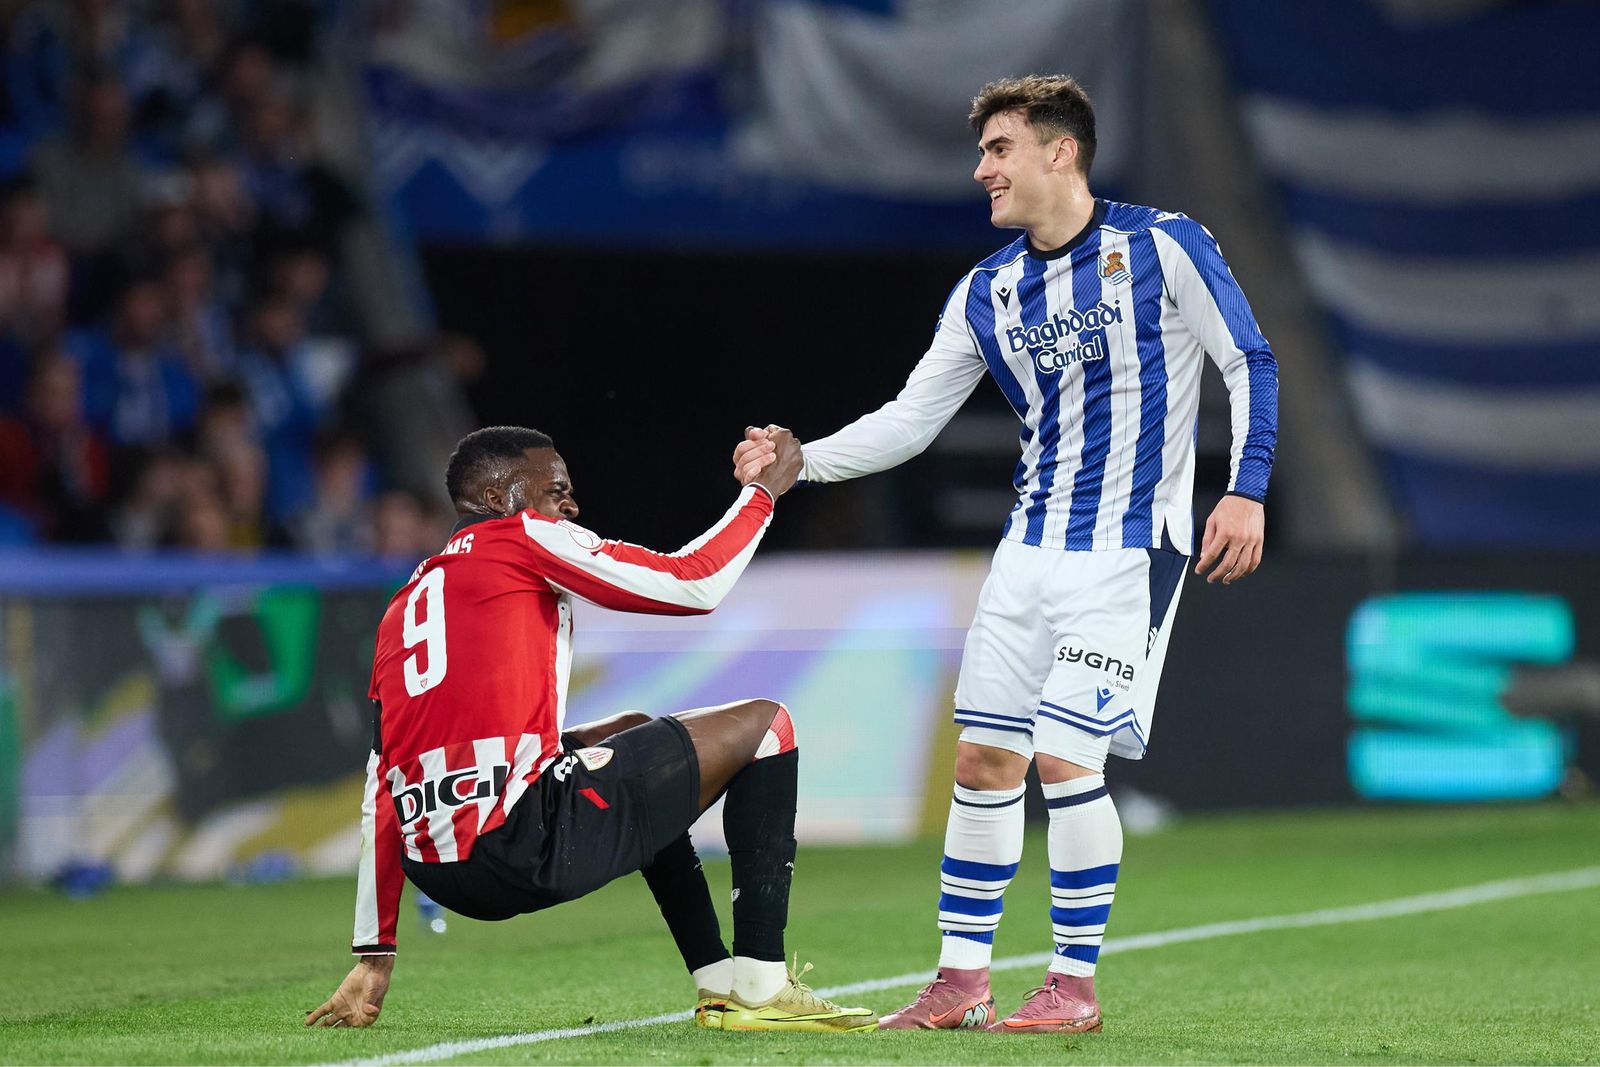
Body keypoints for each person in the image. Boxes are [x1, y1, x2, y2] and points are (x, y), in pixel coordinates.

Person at [735, 74, 1278, 1034]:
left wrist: (1245, 487)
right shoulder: (987, 290)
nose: (982, 169)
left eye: (999, 149)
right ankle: (961, 981)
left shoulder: (1162, 244)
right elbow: (912, 418)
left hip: (1127, 551)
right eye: (983, 152)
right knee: (986, 760)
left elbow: (1248, 358)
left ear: (1060, 152)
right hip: (1026, 556)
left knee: (1067, 756)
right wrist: (802, 461)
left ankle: (1072, 986)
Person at [306, 425, 877, 1033]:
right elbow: (693, 583)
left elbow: (381, 785)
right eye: (556, 490)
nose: (572, 506)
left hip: (443, 873)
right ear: (499, 497)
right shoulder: (522, 536)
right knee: (768, 726)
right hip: (520, 841)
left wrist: (375, 952)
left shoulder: (403, 605)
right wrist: (763, 494)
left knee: (632, 733)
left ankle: (716, 982)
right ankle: (762, 985)